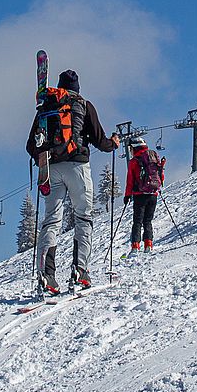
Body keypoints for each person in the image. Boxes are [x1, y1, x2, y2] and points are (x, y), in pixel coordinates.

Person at [26, 69, 121, 294]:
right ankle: (80, 271)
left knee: (51, 221)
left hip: (51, 167)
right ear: (77, 87)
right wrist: (114, 143)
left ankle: (46, 275)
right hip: (77, 166)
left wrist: (43, 158)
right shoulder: (84, 105)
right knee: (83, 217)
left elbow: (31, 144)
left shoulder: (46, 107)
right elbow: (100, 141)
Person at [124, 136, 165, 254]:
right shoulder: (152, 157)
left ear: (134, 148)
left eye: (131, 148)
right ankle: (148, 245)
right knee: (148, 220)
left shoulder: (134, 161)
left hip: (139, 194)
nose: (130, 151)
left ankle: (135, 247)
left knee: (137, 221)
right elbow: (161, 175)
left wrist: (127, 195)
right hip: (153, 194)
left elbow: (130, 180)